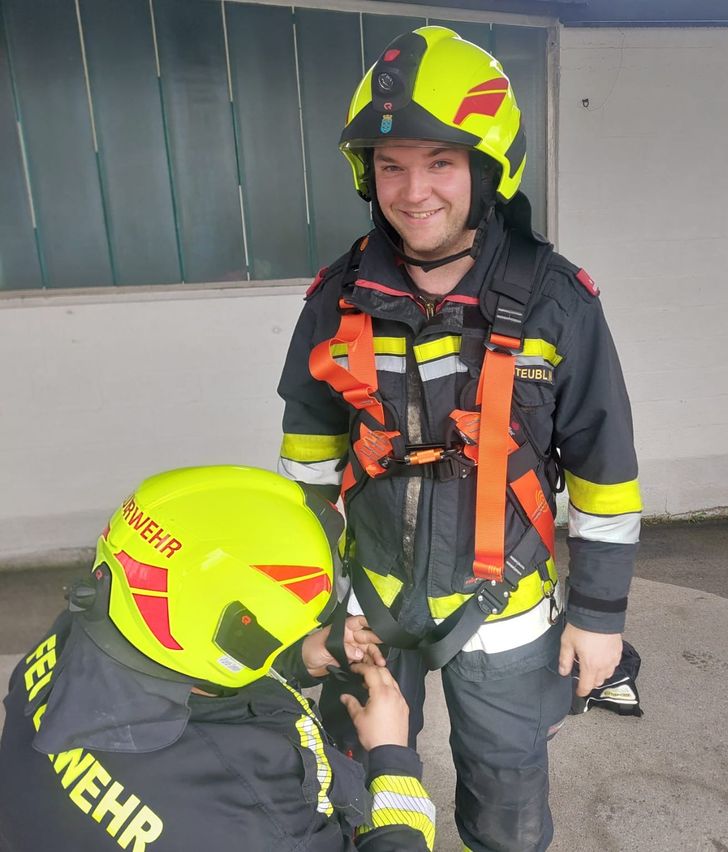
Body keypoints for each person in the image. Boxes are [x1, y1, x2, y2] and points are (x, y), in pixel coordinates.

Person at [277, 26, 641, 852]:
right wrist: (310, 610)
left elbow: (605, 475)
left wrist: (598, 616)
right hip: (367, 608)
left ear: (487, 169)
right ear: (366, 172)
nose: (413, 191)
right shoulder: (333, 301)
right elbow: (303, 472)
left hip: (503, 615)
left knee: (508, 818)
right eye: (392, 163)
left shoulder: (559, 304)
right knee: (356, 794)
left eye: (440, 162)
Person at [0, 465, 435, 852]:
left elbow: (186, 672)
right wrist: (392, 757)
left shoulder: (76, 630)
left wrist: (290, 656)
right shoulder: (256, 815)